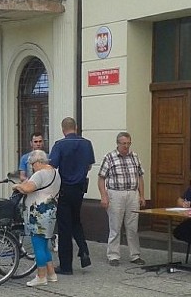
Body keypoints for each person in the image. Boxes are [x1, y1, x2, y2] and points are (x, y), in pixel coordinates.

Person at [48, 117, 95, 275]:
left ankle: (66, 266)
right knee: (76, 221)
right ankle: (84, 250)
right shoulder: (86, 143)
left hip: (65, 189)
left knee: (64, 227)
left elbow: (52, 165)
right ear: (76, 127)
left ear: (63, 129)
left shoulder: (60, 145)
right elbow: (89, 165)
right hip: (80, 189)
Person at [13, 150, 61, 287]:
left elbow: (28, 188)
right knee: (45, 243)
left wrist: (17, 185)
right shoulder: (55, 172)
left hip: (38, 213)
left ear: (39, 162)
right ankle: (51, 274)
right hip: (51, 211)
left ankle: (41, 276)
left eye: (32, 164)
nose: (32, 167)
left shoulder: (40, 174)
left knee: (38, 245)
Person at [98, 132, 146, 267]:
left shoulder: (135, 156)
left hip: (132, 193)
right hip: (115, 194)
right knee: (115, 226)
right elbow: (101, 178)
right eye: (123, 143)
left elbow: (140, 177)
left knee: (132, 227)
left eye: (128, 143)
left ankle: (135, 255)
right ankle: (113, 255)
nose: (126, 146)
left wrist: (142, 195)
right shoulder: (110, 157)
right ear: (118, 144)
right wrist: (104, 196)